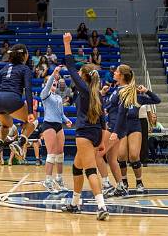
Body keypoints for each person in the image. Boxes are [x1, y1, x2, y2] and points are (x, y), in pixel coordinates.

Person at [60, 33, 109, 221]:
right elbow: (104, 121)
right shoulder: (96, 93)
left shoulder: (86, 89)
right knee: (76, 167)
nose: (77, 76)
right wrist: (103, 143)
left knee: (90, 170)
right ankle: (74, 203)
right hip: (96, 134)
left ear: (84, 77)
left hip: (85, 134)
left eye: (80, 74)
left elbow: (71, 66)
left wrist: (67, 44)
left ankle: (101, 206)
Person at [0, 44, 35, 165]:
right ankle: (19, 143)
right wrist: (30, 112)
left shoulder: (3, 69)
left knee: (7, 125)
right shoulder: (25, 69)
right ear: (24, 55)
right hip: (12, 99)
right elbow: (28, 90)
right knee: (33, 122)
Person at [99, 64, 140, 198]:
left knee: (98, 154)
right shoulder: (117, 88)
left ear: (121, 76)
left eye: (116, 71)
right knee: (111, 159)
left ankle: (107, 185)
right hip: (114, 125)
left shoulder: (125, 90)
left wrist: (115, 131)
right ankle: (121, 186)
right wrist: (103, 94)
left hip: (114, 127)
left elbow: (122, 113)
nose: (114, 73)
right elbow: (110, 107)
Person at [118, 86, 160, 192]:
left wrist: (146, 91)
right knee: (122, 155)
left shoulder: (138, 98)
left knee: (133, 155)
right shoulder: (118, 96)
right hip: (121, 126)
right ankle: (124, 181)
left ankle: (139, 182)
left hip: (134, 126)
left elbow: (157, 100)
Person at [40, 68, 72, 191]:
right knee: (51, 153)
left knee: (60, 154)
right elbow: (48, 86)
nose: (54, 84)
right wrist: (53, 74)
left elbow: (61, 113)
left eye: (55, 83)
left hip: (59, 125)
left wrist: (67, 120)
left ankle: (59, 179)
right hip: (48, 125)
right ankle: (47, 181)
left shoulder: (58, 97)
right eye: (52, 82)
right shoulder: (45, 94)